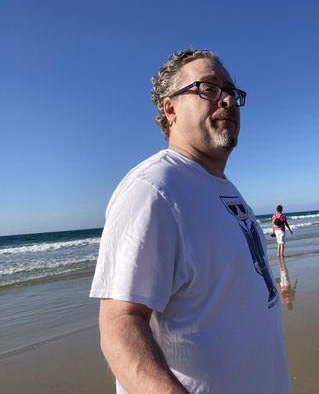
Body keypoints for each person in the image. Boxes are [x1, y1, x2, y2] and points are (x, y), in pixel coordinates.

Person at [90, 49, 290, 394]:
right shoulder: (154, 189)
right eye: (209, 89)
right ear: (170, 109)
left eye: (231, 92)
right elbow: (120, 323)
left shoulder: (221, 186)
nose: (227, 100)